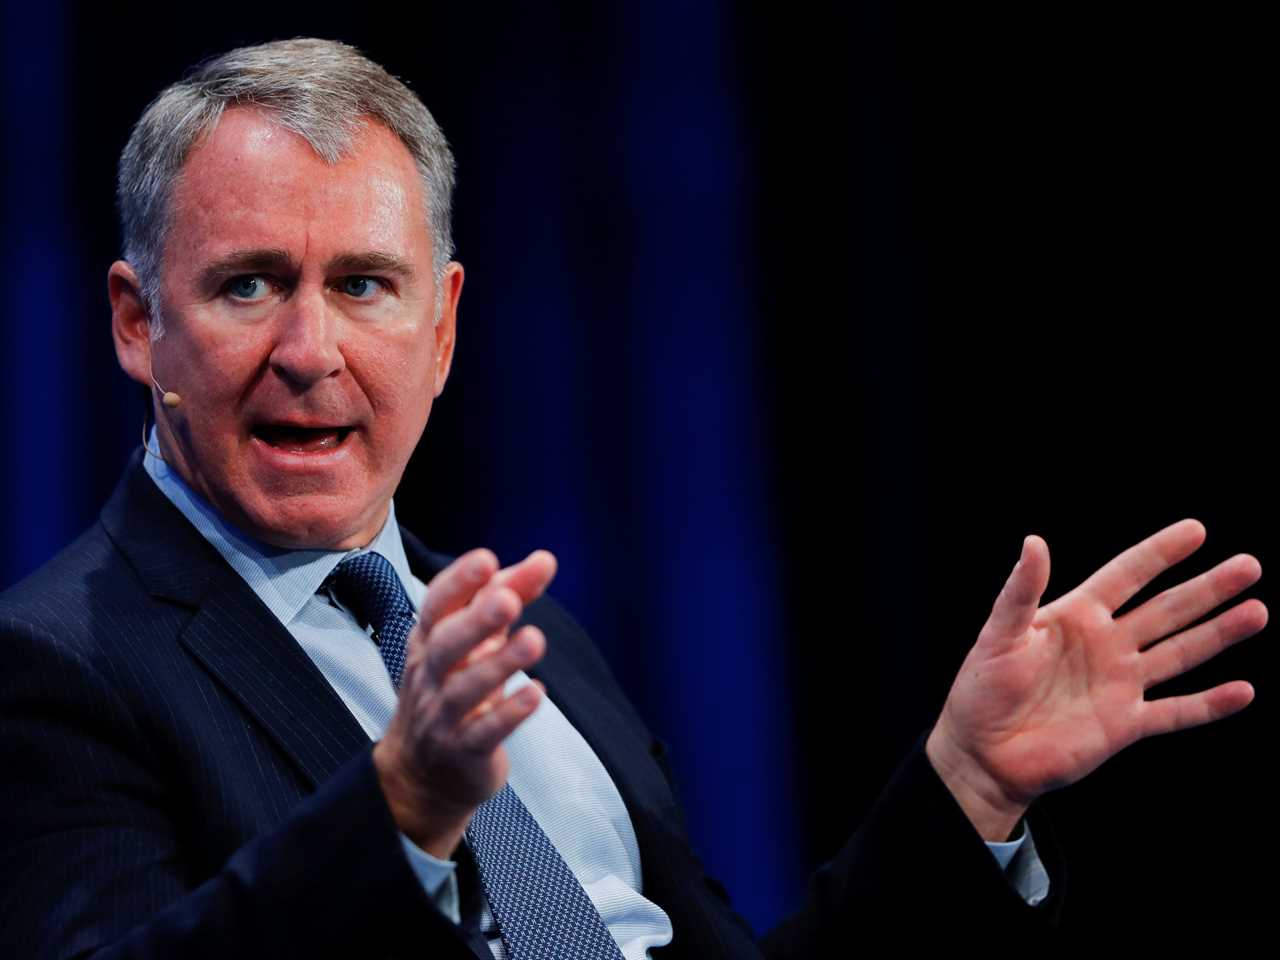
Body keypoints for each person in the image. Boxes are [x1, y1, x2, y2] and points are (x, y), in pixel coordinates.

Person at [0, 38, 1266, 958]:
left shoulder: (528, 648)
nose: (310, 350)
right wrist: (404, 808)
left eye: (366, 287)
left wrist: (966, 789)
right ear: (133, 322)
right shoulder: (55, 666)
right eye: (247, 285)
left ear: (441, 331)